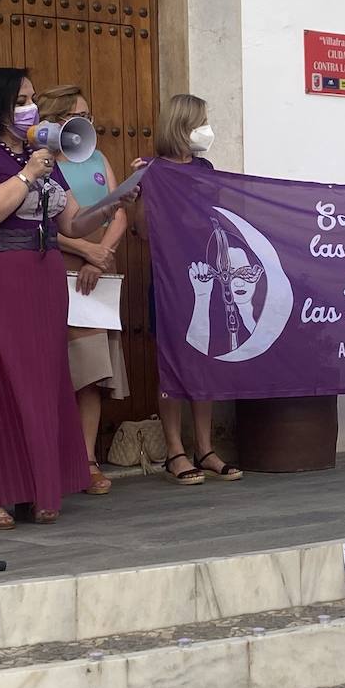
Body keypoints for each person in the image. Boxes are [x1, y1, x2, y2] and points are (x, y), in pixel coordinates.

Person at [0, 68, 133, 528]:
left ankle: (34, 487)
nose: (30, 107)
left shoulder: (38, 154)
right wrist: (27, 175)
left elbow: (72, 223)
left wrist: (117, 199)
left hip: (39, 277)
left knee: (41, 383)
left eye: (30, 98)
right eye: (21, 99)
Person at [138, 93, 243, 484]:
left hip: (209, 276)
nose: (206, 128)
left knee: (204, 359)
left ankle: (206, 448)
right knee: (172, 361)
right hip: (170, 281)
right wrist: (144, 189)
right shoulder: (154, 170)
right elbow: (142, 230)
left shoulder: (206, 168)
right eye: (201, 120)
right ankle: (175, 452)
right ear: (182, 125)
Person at [35, 84, 128, 496]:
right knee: (57, 371)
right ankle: (54, 457)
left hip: (98, 274)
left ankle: (87, 459)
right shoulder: (38, 163)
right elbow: (41, 226)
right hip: (57, 270)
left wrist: (100, 254)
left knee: (92, 372)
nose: (88, 125)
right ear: (56, 121)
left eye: (89, 117)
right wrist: (83, 249)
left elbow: (118, 210)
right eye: (80, 117)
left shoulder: (98, 158)